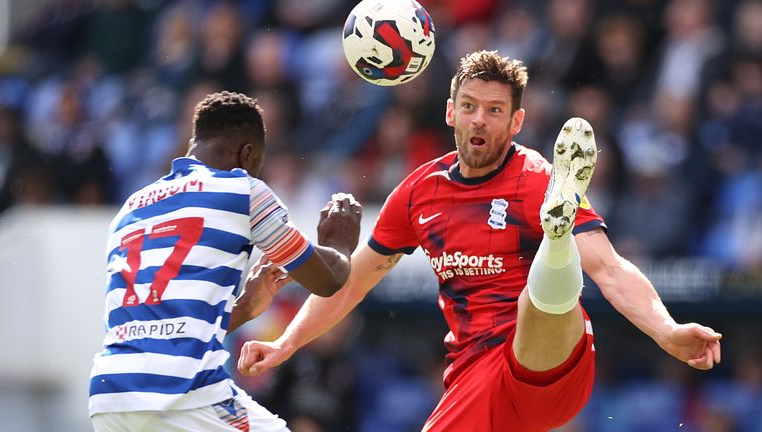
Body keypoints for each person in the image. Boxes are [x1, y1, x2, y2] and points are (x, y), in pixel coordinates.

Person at [237, 51, 723, 431]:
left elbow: (610, 268)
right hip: (474, 376)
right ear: (450, 112)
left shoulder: (535, 179)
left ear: (516, 122)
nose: (479, 120)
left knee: (539, 301)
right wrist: (285, 343)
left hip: (551, 363)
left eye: (494, 111)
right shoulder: (417, 192)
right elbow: (351, 284)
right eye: (469, 107)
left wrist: (667, 331)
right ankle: (556, 244)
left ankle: (557, 240)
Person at [88, 91, 362, 431]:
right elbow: (328, 280)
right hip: (183, 393)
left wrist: (245, 309)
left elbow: (154, 329)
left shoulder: (131, 208)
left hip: (110, 395)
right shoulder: (241, 190)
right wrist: (340, 243)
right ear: (247, 154)